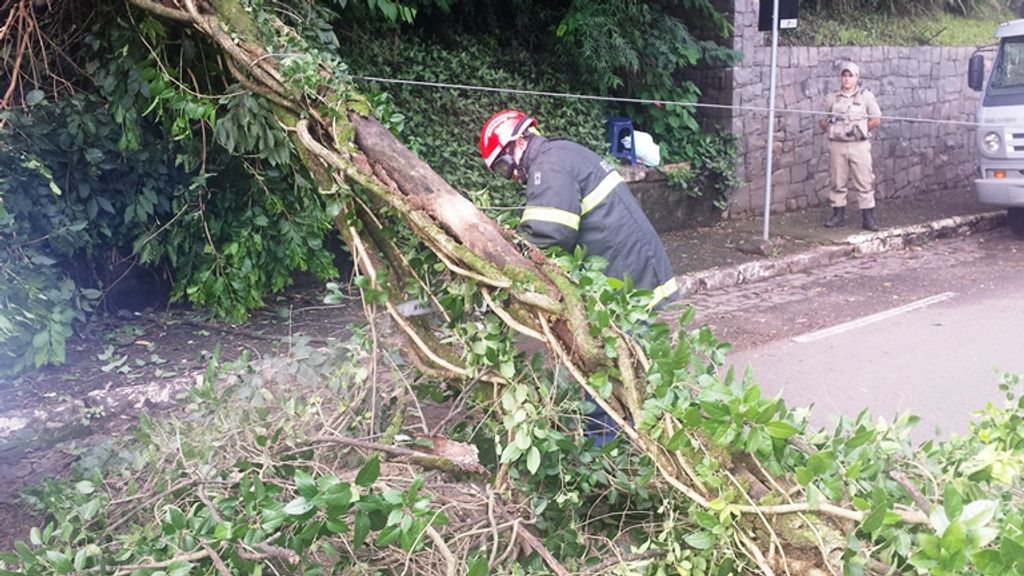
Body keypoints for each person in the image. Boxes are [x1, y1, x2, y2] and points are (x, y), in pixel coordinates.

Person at [478, 109, 679, 445]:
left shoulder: (549, 167)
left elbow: (549, 234)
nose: (509, 174)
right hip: (633, 280)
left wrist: (509, 258)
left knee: (605, 377)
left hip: (627, 287)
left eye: (503, 164)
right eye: (500, 171)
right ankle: (638, 448)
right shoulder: (561, 154)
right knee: (628, 374)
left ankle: (606, 463)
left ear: (519, 141)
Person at [819, 62, 882, 231]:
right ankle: (837, 215)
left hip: (858, 145)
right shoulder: (832, 98)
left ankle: (868, 218)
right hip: (837, 146)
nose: (847, 79)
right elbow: (822, 122)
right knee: (837, 180)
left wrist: (859, 129)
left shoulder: (866, 97)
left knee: (865, 180)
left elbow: (876, 119)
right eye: (844, 75)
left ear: (857, 78)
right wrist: (836, 128)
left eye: (850, 76)